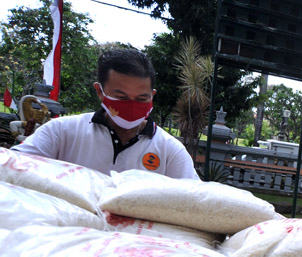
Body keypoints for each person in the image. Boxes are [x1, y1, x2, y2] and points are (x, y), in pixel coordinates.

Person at [14, 48, 198, 179]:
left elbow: (194, 199)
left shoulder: (170, 151)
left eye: (141, 98)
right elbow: (12, 167)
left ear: (152, 96)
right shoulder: (62, 132)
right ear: (100, 92)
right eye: (121, 96)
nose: (132, 106)